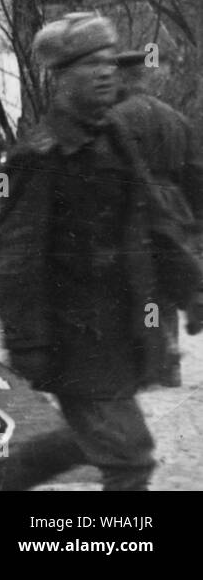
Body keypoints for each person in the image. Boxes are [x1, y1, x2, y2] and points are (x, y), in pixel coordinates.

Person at [0, 13, 203, 491]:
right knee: (129, 458)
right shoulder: (40, 157)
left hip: (121, 329)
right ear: (62, 78)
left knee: (86, 439)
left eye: (108, 62)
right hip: (74, 339)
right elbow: (15, 263)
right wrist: (28, 346)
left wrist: (192, 288)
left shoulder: (116, 137)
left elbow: (155, 226)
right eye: (89, 65)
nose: (106, 72)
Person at [110, 49, 203, 388]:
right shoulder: (176, 118)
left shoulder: (116, 118)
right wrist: (195, 220)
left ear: (122, 77)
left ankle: (154, 358)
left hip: (136, 208)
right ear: (145, 77)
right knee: (166, 285)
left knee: (142, 287)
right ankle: (170, 363)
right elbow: (195, 173)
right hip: (175, 208)